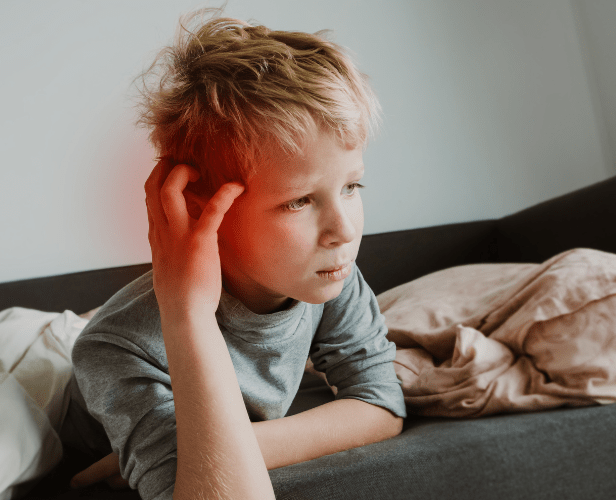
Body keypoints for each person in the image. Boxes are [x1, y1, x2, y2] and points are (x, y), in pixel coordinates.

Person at [60, 8, 406, 499]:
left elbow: (382, 405)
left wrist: (237, 446)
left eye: (353, 186)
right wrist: (188, 315)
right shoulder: (115, 348)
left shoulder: (331, 273)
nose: (343, 230)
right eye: (299, 201)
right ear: (199, 208)